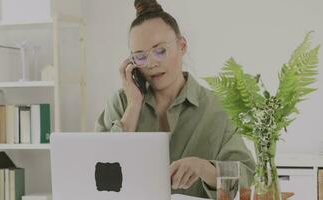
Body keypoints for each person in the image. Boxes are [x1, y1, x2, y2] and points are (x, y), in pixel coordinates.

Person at [95, 0, 255, 198]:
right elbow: (99, 174)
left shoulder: (217, 108)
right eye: (140, 57)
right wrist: (134, 106)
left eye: (160, 50)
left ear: (182, 45)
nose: (152, 63)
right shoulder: (122, 102)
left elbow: (248, 177)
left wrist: (204, 168)